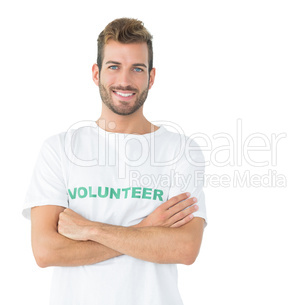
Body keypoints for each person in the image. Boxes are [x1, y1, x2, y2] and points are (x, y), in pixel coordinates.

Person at [23, 17, 207, 305]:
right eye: (114, 67)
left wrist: (90, 229)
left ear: (152, 76)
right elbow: (46, 251)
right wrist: (146, 229)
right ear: (96, 73)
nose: (124, 81)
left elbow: (185, 247)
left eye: (137, 68)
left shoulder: (180, 150)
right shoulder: (60, 149)